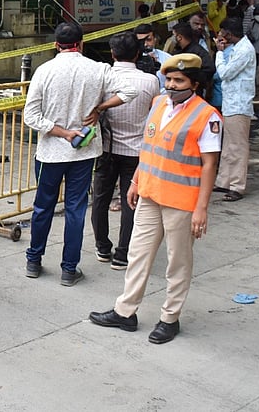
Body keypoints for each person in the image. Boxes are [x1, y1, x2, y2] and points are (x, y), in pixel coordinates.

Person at [89, 53, 222, 344]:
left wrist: (201, 208)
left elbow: (210, 165)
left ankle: (170, 318)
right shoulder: (159, 103)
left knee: (178, 262)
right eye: (169, 79)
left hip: (182, 201)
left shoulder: (207, 116)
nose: (171, 85)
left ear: (194, 84)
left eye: (179, 81)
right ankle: (125, 311)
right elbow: (148, 148)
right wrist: (136, 181)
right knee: (138, 254)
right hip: (150, 193)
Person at [23, 21, 136, 286]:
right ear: (81, 44)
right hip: (83, 153)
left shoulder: (44, 71)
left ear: (56, 45)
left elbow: (31, 116)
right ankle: (69, 269)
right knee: (76, 210)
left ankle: (34, 261)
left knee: (43, 207)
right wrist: (100, 107)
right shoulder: (98, 69)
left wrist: (62, 132)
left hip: (50, 154)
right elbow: (130, 91)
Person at [91, 33, 160, 271]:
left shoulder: (103, 78)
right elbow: (154, 113)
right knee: (131, 201)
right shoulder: (150, 81)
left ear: (112, 53)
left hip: (106, 148)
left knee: (100, 198)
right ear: (137, 54)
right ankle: (123, 253)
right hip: (137, 151)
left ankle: (102, 247)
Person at [213, 17, 256, 202]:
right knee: (228, 145)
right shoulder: (238, 47)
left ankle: (237, 186)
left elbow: (225, 73)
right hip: (231, 103)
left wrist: (218, 53)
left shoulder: (244, 50)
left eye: (223, 33)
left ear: (229, 34)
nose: (221, 36)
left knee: (237, 146)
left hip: (239, 104)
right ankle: (225, 181)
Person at [170, 22, 216, 104]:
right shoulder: (178, 51)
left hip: (195, 95)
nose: (172, 39)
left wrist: (192, 79)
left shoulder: (198, 51)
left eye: (173, 35)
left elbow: (210, 69)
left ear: (179, 37)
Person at [134, 23, 171, 90]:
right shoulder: (131, 60)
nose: (145, 44)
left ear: (155, 39)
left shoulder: (167, 59)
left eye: (148, 40)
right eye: (141, 41)